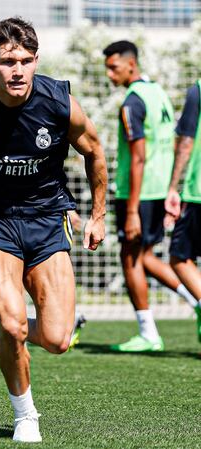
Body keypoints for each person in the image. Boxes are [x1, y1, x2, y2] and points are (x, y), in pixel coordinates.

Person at [0, 17, 107, 443]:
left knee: (57, 339)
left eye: (26, 61)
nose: (18, 71)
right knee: (12, 325)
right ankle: (25, 414)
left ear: (36, 61)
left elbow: (96, 152)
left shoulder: (60, 102)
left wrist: (99, 215)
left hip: (49, 220)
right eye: (8, 61)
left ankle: (26, 328)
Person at [103, 40, 196, 353]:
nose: (109, 73)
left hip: (137, 194)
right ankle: (194, 300)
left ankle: (148, 333)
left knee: (130, 259)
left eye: (113, 66)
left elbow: (138, 157)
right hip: (157, 191)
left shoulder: (132, 102)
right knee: (144, 256)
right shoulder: (158, 93)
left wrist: (130, 210)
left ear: (131, 64)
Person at [165, 80, 201, 342]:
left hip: (198, 191)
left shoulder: (198, 89)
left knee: (179, 257)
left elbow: (186, 141)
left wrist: (173, 186)